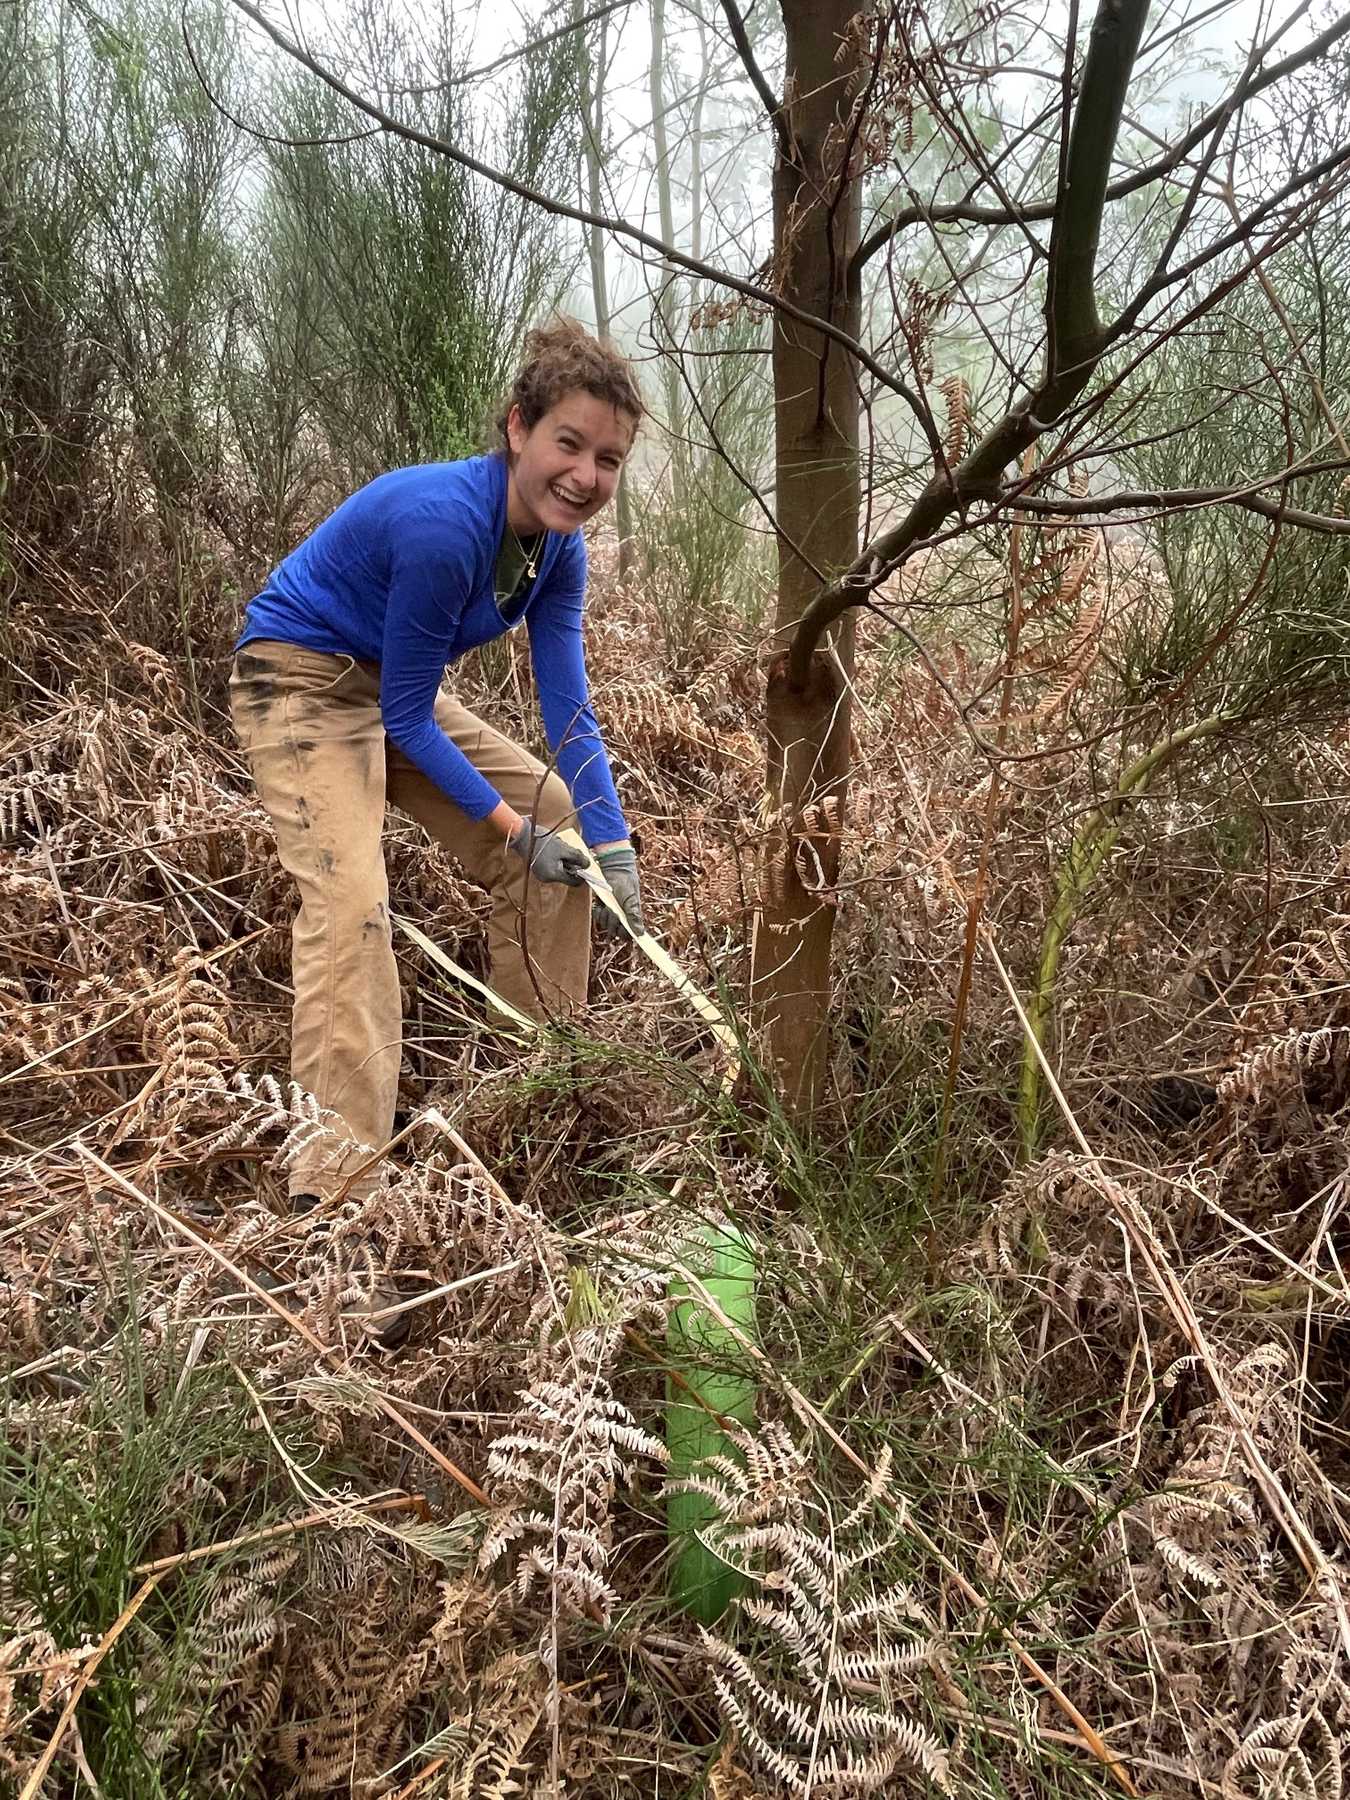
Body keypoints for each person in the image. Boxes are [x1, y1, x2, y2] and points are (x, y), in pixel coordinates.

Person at [229, 319, 644, 1215]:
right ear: (518, 428)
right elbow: (411, 719)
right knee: (351, 911)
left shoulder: (555, 551)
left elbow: (566, 704)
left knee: (556, 808)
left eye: (608, 459)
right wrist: (510, 833)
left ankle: (533, 1104)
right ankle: (333, 1209)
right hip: (297, 678)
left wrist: (611, 847)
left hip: (382, 679)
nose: (585, 475)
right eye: (568, 443)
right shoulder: (445, 524)